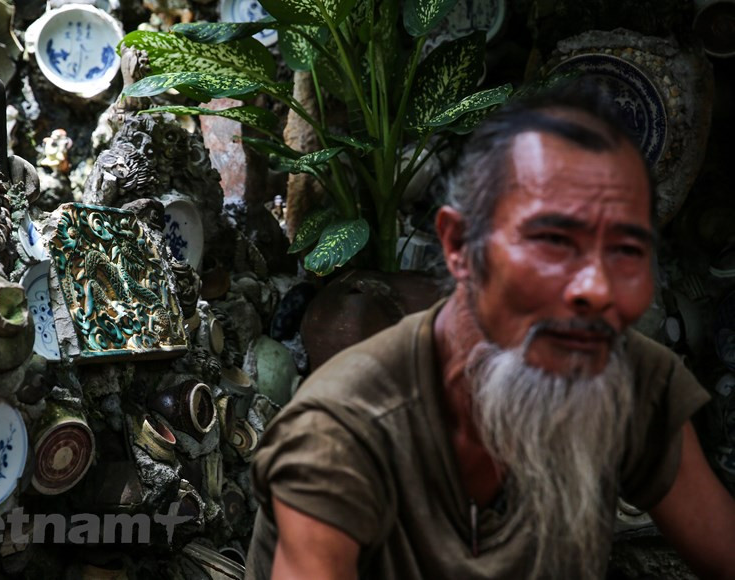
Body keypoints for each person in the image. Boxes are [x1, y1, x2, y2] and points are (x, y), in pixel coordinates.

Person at [244, 85, 735, 579]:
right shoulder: (341, 434)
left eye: (627, 251)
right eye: (553, 241)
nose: (596, 288)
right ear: (459, 246)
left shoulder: (624, 377)